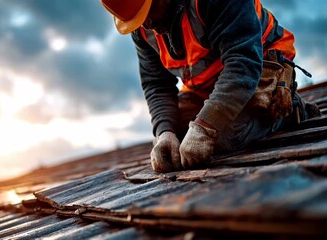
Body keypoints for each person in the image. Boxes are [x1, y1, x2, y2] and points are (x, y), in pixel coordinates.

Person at [100, 0, 320, 172]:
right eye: (138, 20)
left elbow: (242, 63)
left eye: (146, 14)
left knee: (226, 135)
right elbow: (156, 84)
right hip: (208, 88)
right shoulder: (141, 27)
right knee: (177, 137)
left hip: (258, 71)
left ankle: (287, 112)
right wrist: (164, 132)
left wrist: (206, 126)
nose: (147, 25)